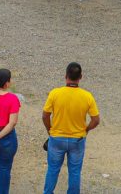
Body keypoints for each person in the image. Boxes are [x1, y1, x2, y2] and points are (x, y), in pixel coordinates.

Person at [42, 62, 100, 194]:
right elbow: (96, 120)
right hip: (77, 139)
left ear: (66, 76)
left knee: (53, 169)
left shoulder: (55, 93)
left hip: (56, 138)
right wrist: (86, 129)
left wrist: (50, 130)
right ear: (81, 77)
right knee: (74, 172)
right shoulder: (87, 96)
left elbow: (45, 116)